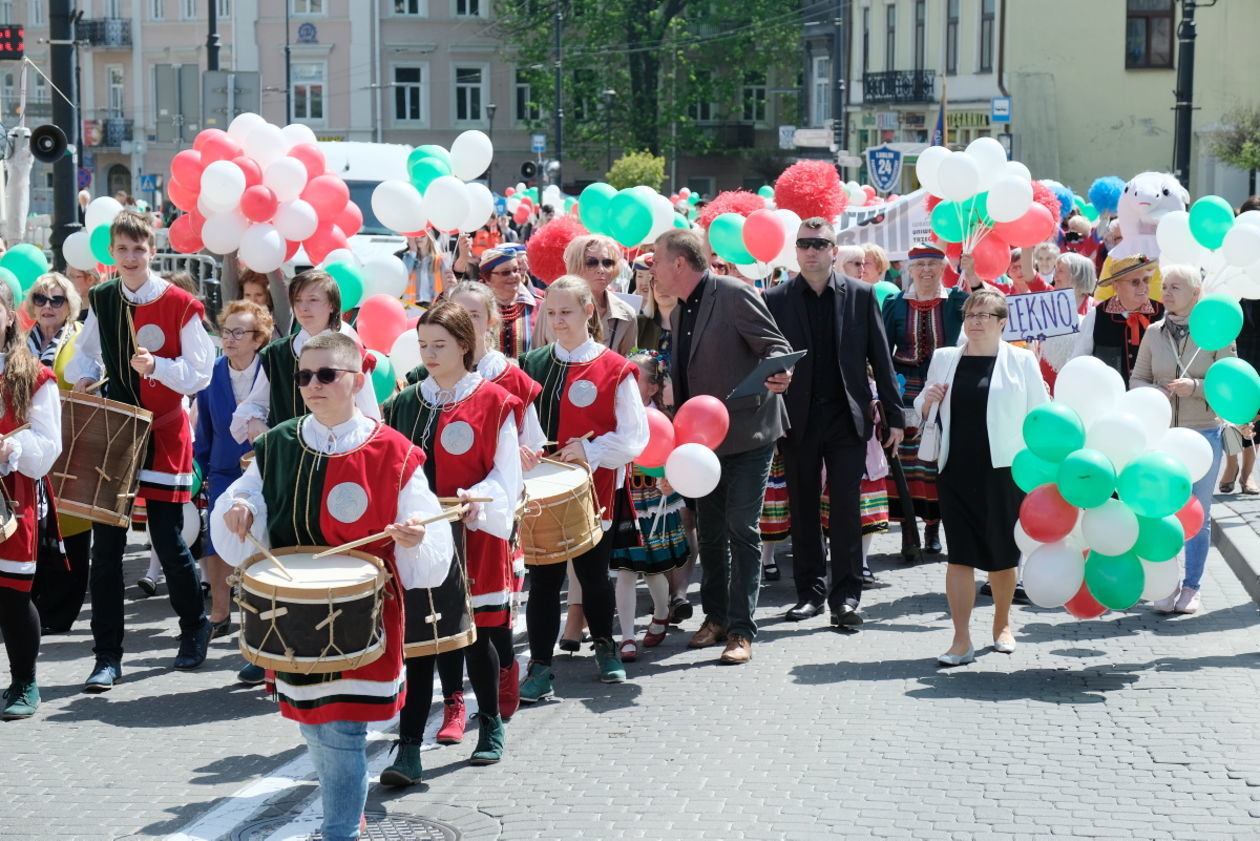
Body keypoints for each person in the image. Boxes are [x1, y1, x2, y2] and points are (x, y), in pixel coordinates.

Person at [211, 331, 452, 841]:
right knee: (313, 722)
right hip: (294, 611)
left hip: (362, 615)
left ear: (356, 380)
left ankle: (340, 829)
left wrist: (413, 537)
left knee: (342, 727)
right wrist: (241, 509)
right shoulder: (277, 442)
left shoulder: (395, 452)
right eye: (303, 376)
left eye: (326, 375)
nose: (312, 385)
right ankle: (347, 813)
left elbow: (429, 537)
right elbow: (247, 495)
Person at [67, 210, 214, 690]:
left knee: (169, 542)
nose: (131, 258)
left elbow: (200, 372)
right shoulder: (103, 297)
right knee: (106, 551)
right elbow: (85, 350)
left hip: (166, 431)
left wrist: (158, 367)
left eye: (139, 249)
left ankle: (194, 626)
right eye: (122, 250)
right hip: (116, 432)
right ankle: (107, 655)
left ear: (153, 252)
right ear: (112, 253)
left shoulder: (181, 304)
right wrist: (85, 375)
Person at [380, 303, 522, 784]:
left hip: (473, 531)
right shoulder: (403, 404)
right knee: (420, 643)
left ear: (465, 344)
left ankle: (491, 727)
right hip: (422, 534)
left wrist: (478, 498)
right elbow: (391, 470)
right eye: (423, 345)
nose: (430, 354)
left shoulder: (494, 402)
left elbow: (507, 475)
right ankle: (409, 749)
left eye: (439, 344)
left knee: (476, 632)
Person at [651, 228, 792, 665]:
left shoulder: (732, 293)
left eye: (656, 259)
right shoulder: (675, 313)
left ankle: (741, 629)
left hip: (749, 433)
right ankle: (714, 618)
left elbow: (777, 347)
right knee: (710, 532)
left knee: (741, 529)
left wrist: (781, 374)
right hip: (700, 445)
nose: (650, 269)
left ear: (679, 263)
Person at [764, 219, 904, 628]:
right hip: (797, 418)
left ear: (833, 249)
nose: (811, 251)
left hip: (847, 417)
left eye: (819, 244)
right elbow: (763, 358)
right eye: (804, 244)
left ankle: (845, 597)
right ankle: (809, 593)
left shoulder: (862, 295)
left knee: (846, 509)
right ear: (796, 251)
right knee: (803, 506)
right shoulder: (776, 299)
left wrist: (893, 416)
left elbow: (882, 357)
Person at [518, 276, 648, 695]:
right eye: (551, 313)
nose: (557, 321)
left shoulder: (614, 368)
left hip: (595, 490)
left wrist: (589, 453)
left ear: (589, 311)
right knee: (543, 581)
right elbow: (520, 429)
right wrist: (526, 451)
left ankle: (606, 647)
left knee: (593, 576)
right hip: (541, 493)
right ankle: (539, 666)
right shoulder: (532, 365)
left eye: (566, 312)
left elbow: (634, 437)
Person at [915, 289, 1048, 666]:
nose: (974, 321)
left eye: (984, 316)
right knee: (959, 556)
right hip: (955, 468)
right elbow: (922, 409)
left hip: (1005, 471)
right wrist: (928, 400)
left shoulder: (1021, 361)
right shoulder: (944, 359)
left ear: (1002, 322)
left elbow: (1040, 414)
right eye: (970, 314)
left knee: (1001, 557)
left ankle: (1002, 625)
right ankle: (961, 640)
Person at [1130, 265, 1233, 615]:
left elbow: (1228, 388)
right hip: (1162, 436)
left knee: (1197, 516)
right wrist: (1154, 393)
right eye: (1166, 286)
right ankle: (1166, 583)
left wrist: (1195, 388)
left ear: (1195, 294)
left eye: (1176, 287)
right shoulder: (1154, 332)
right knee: (1164, 512)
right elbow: (1136, 379)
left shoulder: (1217, 335)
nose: (1166, 293)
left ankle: (1192, 587)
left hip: (1203, 434)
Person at [881, 243, 971, 560]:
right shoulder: (893, 303)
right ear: (909, 269)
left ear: (944, 267)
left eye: (934, 263)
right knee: (903, 464)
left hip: (943, 387)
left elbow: (985, 314)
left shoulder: (957, 301)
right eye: (920, 265)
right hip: (904, 388)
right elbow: (882, 351)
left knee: (933, 462)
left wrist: (971, 274)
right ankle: (908, 531)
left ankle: (934, 527)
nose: (927, 271)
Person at [0, 279, 63, 719]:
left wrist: (10, 448)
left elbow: (48, 446)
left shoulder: (33, 376)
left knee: (12, 596)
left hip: (11, 495)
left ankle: (24, 680)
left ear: (8, 315)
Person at [193, 300, 272, 645]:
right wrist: (204, 466)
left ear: (258, 339)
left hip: (264, 467)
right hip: (224, 467)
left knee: (259, 540)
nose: (230, 338)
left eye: (240, 332)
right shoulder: (212, 372)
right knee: (217, 539)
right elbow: (205, 427)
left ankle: (259, 616)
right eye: (227, 330)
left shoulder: (270, 371)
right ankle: (220, 614)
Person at [230, 268, 378, 445]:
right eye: (298, 300)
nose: (303, 307)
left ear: (332, 305)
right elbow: (255, 402)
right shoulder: (276, 354)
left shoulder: (351, 353)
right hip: (289, 458)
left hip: (338, 453)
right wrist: (254, 420)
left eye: (313, 300)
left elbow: (369, 415)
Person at [611, 351, 689, 660]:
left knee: (654, 569)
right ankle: (628, 637)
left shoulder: (663, 417)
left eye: (634, 378)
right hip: (625, 499)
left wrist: (670, 476)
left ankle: (661, 611)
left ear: (653, 388)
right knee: (626, 570)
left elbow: (674, 456)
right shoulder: (614, 415)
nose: (626, 384)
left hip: (655, 500)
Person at [23, 275, 90, 635]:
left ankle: (61, 611)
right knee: (31, 525)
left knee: (71, 527)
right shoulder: (19, 343)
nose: (48, 305)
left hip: (73, 445)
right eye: (41, 298)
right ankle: (28, 607)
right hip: (28, 447)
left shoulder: (81, 339)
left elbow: (99, 373)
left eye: (57, 300)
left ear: (71, 304)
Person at [534, 234, 638, 356]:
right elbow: (535, 358)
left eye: (607, 262)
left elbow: (630, 365)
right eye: (592, 262)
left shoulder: (626, 314)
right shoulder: (550, 306)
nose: (601, 269)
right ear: (576, 265)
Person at [1070, 254, 1164, 387]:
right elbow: (1078, 360)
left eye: (1146, 280)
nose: (1143, 286)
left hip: (1153, 398)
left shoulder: (1162, 313)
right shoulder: (1097, 315)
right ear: (1116, 286)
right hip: (1110, 399)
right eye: (1135, 282)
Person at [1038, 252, 1098, 389]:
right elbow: (1031, 276)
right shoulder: (1048, 300)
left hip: (1076, 380)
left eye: (1060, 271)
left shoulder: (1094, 309)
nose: (1054, 275)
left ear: (1077, 274)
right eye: (1055, 270)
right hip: (1045, 378)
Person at [478, 245, 543, 360]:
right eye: (505, 272)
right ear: (488, 278)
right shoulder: (478, 308)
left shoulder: (538, 306)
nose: (513, 276)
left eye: (516, 270)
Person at [397, 234, 455, 307]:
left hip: (433, 305)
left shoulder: (440, 259)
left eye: (423, 236)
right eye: (416, 236)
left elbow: (447, 286)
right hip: (411, 305)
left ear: (429, 237)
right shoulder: (407, 257)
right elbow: (403, 278)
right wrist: (413, 252)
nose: (418, 238)